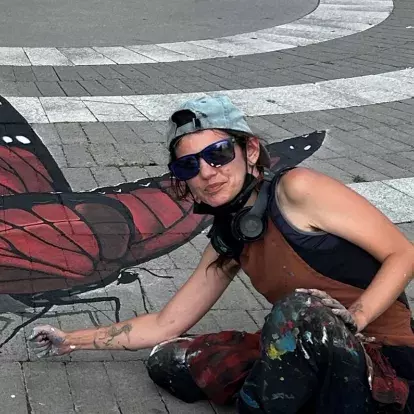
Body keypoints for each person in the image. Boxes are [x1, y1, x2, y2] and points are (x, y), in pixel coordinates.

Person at [29, 95, 414, 413]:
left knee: (299, 312)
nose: (206, 173)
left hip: (378, 359)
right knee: (170, 359)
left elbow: (403, 253)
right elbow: (166, 323)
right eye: (188, 165)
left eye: (218, 154)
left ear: (249, 151)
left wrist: (355, 318)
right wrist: (73, 339)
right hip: (309, 352)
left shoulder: (298, 188)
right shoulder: (230, 235)